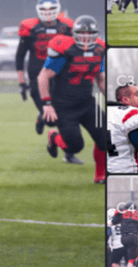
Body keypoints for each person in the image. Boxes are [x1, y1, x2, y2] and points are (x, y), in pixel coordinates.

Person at [37, 15, 107, 183]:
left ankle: (100, 175)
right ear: (74, 33)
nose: (85, 37)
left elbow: (101, 78)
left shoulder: (99, 49)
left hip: (87, 103)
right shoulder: (66, 50)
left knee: (105, 138)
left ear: (96, 34)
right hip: (64, 106)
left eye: (89, 33)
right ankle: (54, 137)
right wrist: (47, 103)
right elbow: (43, 76)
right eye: (81, 33)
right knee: (75, 146)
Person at [15, 0, 74, 135]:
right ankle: (41, 118)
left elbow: (73, 53)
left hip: (59, 76)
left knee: (61, 114)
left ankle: (62, 143)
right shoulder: (31, 27)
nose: (47, 13)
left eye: (51, 9)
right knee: (50, 119)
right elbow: (20, 56)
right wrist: (22, 82)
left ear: (57, 8)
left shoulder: (66, 27)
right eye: (44, 9)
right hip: (37, 76)